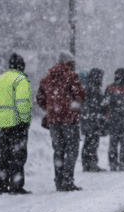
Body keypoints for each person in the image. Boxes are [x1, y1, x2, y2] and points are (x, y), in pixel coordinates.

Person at [36, 52, 86, 191]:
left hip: (53, 120)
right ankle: (67, 181)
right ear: (69, 63)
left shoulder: (46, 79)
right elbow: (81, 95)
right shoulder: (72, 77)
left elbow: (40, 99)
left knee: (58, 151)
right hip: (69, 119)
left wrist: (51, 109)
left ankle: (58, 181)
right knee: (72, 150)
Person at [0, 53, 32, 194]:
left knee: (4, 155)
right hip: (17, 123)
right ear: (22, 66)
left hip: (2, 124)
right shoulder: (20, 80)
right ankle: (15, 186)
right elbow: (22, 101)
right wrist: (24, 120)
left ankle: (1, 186)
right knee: (18, 155)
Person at [104, 68, 124, 171]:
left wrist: (107, 117)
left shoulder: (110, 88)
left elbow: (105, 104)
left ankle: (113, 164)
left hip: (114, 119)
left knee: (113, 143)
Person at [80, 68, 106, 172]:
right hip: (93, 119)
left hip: (88, 119)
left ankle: (87, 164)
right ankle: (91, 164)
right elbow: (94, 105)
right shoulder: (94, 88)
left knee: (89, 141)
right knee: (92, 142)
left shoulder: (88, 87)